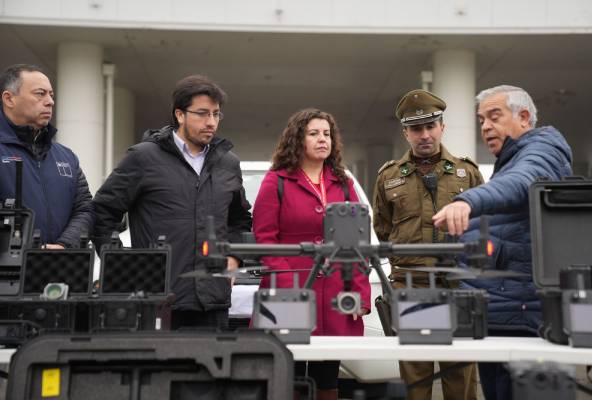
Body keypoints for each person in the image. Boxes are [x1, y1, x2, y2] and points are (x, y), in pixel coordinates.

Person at [432, 85, 573, 400]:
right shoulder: (510, 161)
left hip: (524, 322)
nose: (485, 127)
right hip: (500, 316)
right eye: (481, 119)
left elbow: (522, 182)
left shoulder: (543, 149)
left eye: (494, 117)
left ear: (523, 117)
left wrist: (467, 202)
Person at [93, 75, 252, 330]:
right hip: (156, 301)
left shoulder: (228, 163)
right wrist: (122, 266)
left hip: (212, 302)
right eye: (202, 113)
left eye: (216, 114)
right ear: (180, 115)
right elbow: (102, 212)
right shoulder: (143, 157)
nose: (211, 122)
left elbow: (239, 220)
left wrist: (234, 258)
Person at [252, 108, 371, 400]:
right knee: (287, 372)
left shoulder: (343, 182)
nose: (322, 139)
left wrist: (360, 292)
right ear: (297, 139)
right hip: (289, 287)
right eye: (314, 133)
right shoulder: (277, 181)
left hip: (336, 289)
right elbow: (265, 240)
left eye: (327, 134)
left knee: (327, 377)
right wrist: (289, 287)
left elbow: (359, 243)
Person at [373, 89, 483, 400]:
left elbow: (482, 226)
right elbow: (383, 229)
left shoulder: (467, 173)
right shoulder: (388, 177)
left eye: (431, 126)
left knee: (460, 377)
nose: (425, 135)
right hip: (412, 286)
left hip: (458, 285)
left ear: (442, 127)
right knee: (416, 378)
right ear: (405, 133)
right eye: (416, 128)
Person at [0, 63, 93, 248]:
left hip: (58, 263)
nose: (50, 101)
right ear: (9, 99)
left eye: (51, 95)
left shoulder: (67, 157)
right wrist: (27, 248)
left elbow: (85, 209)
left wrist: (65, 245)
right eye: (40, 94)